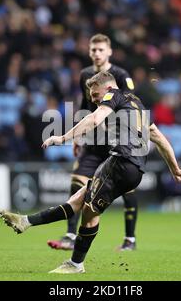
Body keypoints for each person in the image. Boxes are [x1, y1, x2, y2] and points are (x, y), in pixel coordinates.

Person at [0, 71, 181, 274]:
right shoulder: (136, 103)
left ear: (107, 89)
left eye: (95, 94)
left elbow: (94, 119)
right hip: (134, 170)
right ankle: (26, 222)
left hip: (121, 162)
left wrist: (63, 138)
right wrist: (175, 169)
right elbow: (158, 137)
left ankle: (76, 264)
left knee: (89, 212)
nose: (94, 99)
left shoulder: (112, 95)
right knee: (79, 199)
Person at [47, 34, 140, 251]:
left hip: (117, 141)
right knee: (77, 180)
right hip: (93, 138)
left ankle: (130, 239)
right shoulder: (85, 75)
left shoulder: (120, 75)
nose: (97, 53)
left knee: (127, 189)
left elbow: (130, 105)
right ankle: (70, 235)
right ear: (89, 52)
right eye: (93, 50)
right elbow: (85, 105)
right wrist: (78, 135)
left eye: (100, 50)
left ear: (109, 52)